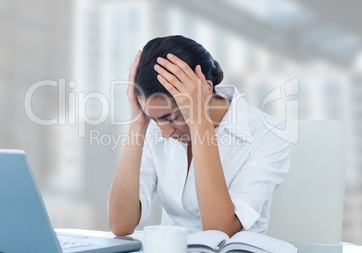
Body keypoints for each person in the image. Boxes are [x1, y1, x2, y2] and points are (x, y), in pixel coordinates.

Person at [107, 35, 293, 237]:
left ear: (205, 89)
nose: (165, 132)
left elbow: (219, 231)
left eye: (171, 117)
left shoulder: (270, 134)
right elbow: (120, 224)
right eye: (154, 119)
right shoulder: (157, 127)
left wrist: (200, 122)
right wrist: (138, 122)